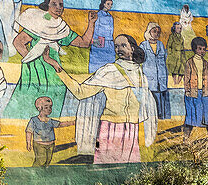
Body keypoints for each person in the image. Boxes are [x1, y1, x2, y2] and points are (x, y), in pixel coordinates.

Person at [48, 34, 158, 164]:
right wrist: (57, 68)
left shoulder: (140, 74)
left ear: (132, 48)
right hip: (110, 128)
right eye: (116, 46)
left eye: (123, 45)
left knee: (129, 168)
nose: (119, 49)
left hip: (131, 129)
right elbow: (80, 92)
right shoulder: (109, 70)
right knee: (106, 165)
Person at [5, 0, 96, 120]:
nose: (58, 7)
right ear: (47, 6)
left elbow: (84, 43)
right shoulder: (39, 22)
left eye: (61, 5)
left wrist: (91, 23)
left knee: (53, 99)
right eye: (54, 4)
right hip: (34, 71)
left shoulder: (61, 28)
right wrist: (32, 60)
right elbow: (18, 42)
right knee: (28, 97)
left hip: (53, 70)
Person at [25, 97, 73, 166]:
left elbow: (60, 124)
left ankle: (43, 173)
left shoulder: (50, 121)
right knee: (41, 160)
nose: (49, 109)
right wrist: (28, 143)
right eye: (46, 107)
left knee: (48, 160)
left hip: (51, 145)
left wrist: (73, 122)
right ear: (39, 108)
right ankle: (35, 172)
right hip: (39, 145)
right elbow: (29, 131)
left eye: (50, 107)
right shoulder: (34, 120)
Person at [182, 36, 208, 139]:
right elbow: (186, 78)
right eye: (200, 48)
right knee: (191, 116)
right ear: (195, 49)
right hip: (193, 93)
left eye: (204, 49)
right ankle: (186, 138)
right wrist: (187, 90)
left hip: (205, 93)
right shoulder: (189, 62)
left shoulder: (206, 63)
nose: (202, 51)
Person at [142, 22, 170, 121]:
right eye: (154, 31)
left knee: (162, 99)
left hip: (161, 77)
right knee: (152, 100)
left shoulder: (161, 45)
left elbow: (164, 59)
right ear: (149, 32)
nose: (157, 34)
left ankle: (163, 118)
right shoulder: (144, 45)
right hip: (150, 77)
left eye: (158, 32)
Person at [88, 0, 115, 73]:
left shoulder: (110, 17)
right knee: (97, 61)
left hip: (109, 42)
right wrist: (97, 42)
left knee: (110, 62)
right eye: (108, 4)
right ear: (103, 4)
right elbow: (95, 29)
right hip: (99, 41)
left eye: (111, 4)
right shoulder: (98, 15)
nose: (110, 6)